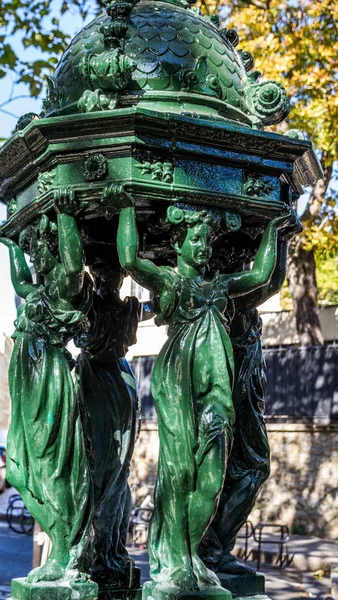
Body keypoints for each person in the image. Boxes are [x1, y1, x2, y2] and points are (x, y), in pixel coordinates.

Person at [110, 186, 297, 598]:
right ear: (179, 242)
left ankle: (191, 551)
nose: (203, 247)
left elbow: (260, 276)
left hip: (216, 394)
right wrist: (124, 206)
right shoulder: (171, 284)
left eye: (206, 241)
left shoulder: (218, 288)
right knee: (181, 473)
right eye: (196, 239)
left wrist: (273, 229)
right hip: (181, 385)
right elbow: (129, 259)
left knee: (211, 476)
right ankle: (179, 559)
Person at [0, 190, 93, 584]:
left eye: (40, 247)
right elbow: (20, 280)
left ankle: (63, 551)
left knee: (50, 467)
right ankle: (63, 545)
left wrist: (68, 218)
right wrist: (10, 244)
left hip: (48, 380)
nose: (35, 255)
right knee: (21, 470)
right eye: (33, 248)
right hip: (27, 383)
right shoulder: (38, 289)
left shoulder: (62, 283)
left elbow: (73, 263)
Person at [199, 228, 299, 575]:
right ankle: (211, 547)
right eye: (241, 260)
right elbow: (270, 282)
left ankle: (214, 546)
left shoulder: (239, 298)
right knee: (244, 468)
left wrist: (284, 239)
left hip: (248, 398)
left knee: (248, 469)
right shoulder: (229, 294)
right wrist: (279, 236)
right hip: (235, 398)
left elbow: (272, 282)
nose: (247, 264)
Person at [74, 260, 153, 588]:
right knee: (102, 465)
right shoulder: (94, 305)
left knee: (112, 467)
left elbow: (160, 304)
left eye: (114, 275)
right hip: (109, 379)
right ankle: (99, 545)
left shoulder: (118, 306)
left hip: (111, 381)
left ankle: (105, 547)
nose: (110, 279)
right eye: (105, 274)